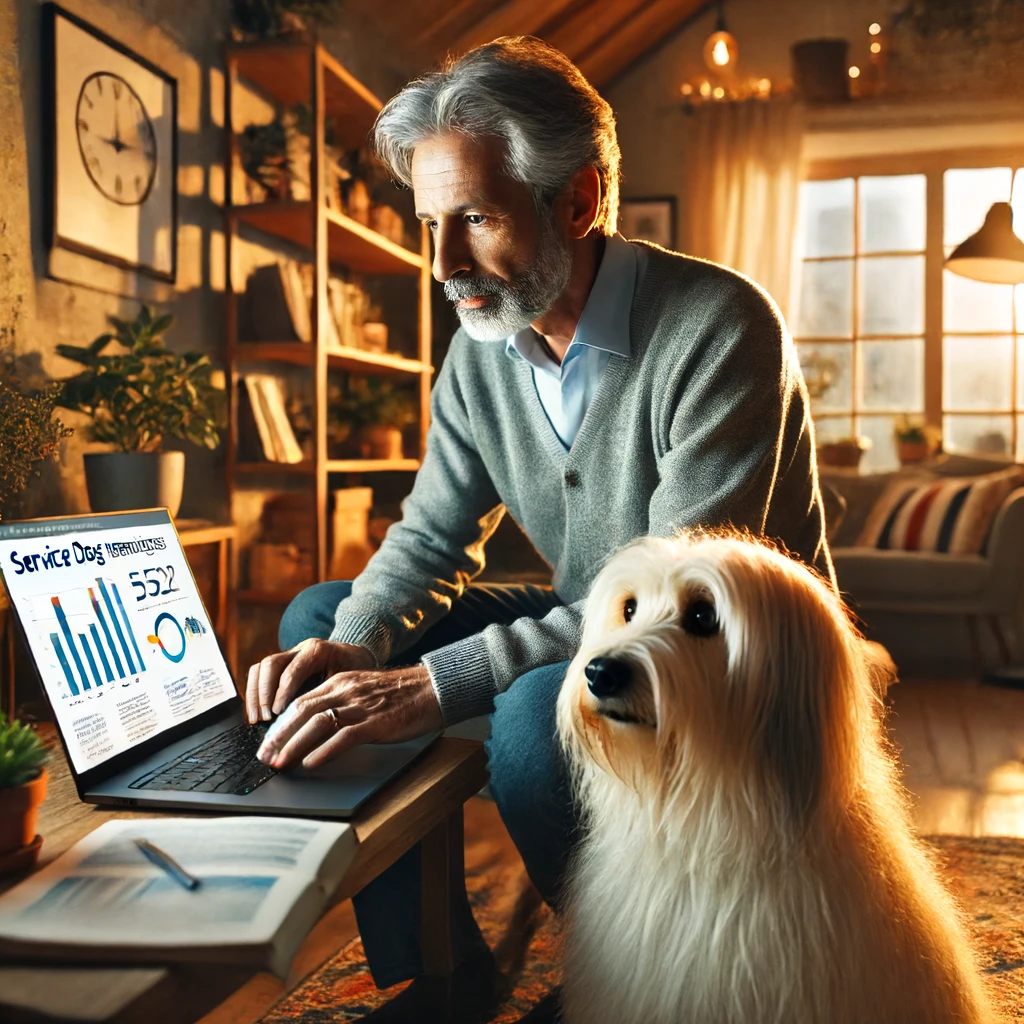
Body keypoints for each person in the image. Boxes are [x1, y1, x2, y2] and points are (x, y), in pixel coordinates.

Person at [245, 35, 834, 1020]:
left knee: (530, 716)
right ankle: (435, 971)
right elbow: (431, 537)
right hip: (589, 617)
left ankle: (639, 977)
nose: (440, 262)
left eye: (473, 218)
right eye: (430, 222)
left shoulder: (720, 326)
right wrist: (358, 644)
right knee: (320, 619)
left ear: (578, 199)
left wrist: (435, 683)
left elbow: (671, 598)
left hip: (734, 650)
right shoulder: (481, 350)